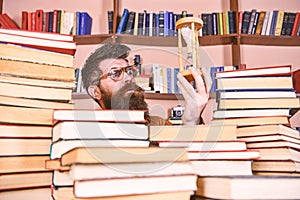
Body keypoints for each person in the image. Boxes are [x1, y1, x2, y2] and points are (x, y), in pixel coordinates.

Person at [81, 42, 211, 126]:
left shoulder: (159, 125)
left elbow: (187, 159)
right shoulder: (84, 133)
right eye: (115, 73)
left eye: (128, 71)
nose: (128, 78)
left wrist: (192, 121)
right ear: (96, 92)